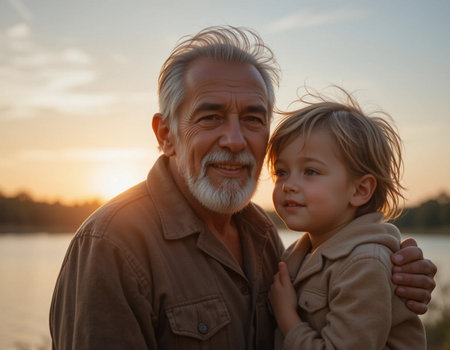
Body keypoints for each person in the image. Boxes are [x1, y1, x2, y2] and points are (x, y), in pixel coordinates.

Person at [50, 26, 435, 350]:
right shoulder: (112, 246)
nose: (234, 140)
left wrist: (396, 275)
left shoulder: (264, 236)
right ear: (166, 135)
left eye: (252, 119)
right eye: (211, 116)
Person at [268, 88, 426, 349]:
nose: (288, 185)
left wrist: (288, 319)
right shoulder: (299, 254)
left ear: (360, 190)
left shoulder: (365, 263)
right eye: (282, 172)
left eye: (310, 171)